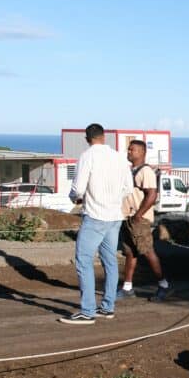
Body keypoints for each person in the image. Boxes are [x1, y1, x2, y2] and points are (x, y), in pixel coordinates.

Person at [61, 123, 133, 325]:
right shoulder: (119, 157)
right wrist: (114, 199)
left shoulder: (88, 156)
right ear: (104, 137)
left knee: (83, 260)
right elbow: (128, 188)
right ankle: (108, 307)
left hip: (95, 215)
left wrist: (75, 198)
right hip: (115, 216)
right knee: (110, 261)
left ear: (87, 139)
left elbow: (78, 188)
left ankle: (87, 311)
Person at [118, 140, 172, 302]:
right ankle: (127, 287)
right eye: (128, 149)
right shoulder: (131, 171)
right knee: (130, 252)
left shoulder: (145, 171)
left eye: (132, 150)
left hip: (138, 219)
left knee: (148, 252)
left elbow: (152, 194)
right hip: (127, 218)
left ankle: (164, 285)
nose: (129, 152)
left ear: (142, 152)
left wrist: (138, 215)